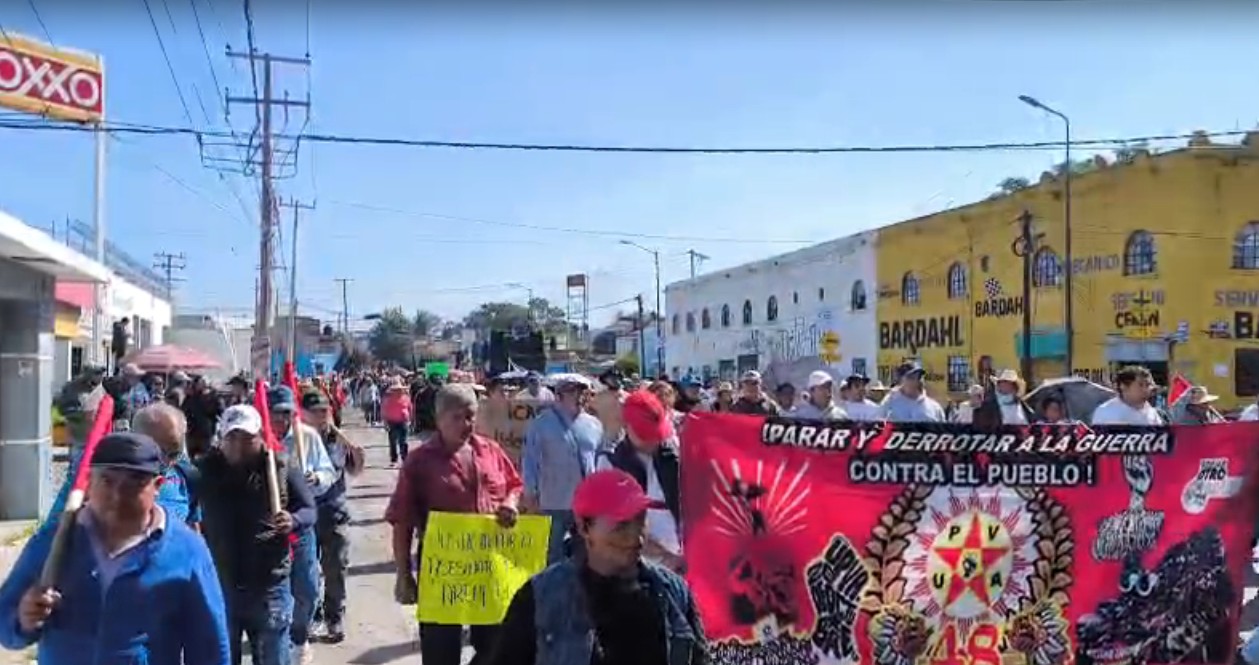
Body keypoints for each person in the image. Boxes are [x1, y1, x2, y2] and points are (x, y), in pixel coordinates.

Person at [0, 431, 230, 665]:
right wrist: (23, 619)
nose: (118, 495)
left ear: (157, 485)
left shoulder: (186, 550)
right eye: (108, 481)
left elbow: (210, 646)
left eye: (135, 483)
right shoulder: (52, 542)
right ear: (89, 483)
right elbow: (5, 625)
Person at [486, 469, 709, 665]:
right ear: (584, 528)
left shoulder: (674, 594)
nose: (637, 537)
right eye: (621, 526)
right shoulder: (542, 597)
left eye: (641, 520)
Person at [385, 384, 523, 665]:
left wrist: (510, 503)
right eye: (456, 417)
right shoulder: (419, 462)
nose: (465, 424)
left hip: (489, 566)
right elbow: (402, 522)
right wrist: (404, 574)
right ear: (439, 419)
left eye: (470, 416)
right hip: (443, 570)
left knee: (497, 646)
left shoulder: (491, 451)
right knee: (440, 650)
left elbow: (515, 485)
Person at [198, 405, 318, 665]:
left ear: (260, 436)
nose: (239, 446)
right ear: (221, 439)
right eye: (232, 438)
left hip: (269, 585)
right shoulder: (206, 471)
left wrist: (294, 520)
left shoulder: (280, 467)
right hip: (222, 584)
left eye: (247, 439)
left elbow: (309, 509)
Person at [268, 386, 336, 664]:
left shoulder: (306, 437)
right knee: (275, 589)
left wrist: (316, 479)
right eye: (277, 413)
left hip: (302, 523)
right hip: (270, 525)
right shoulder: (257, 440)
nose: (283, 420)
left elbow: (328, 471)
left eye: (288, 413)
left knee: (306, 587)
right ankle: (278, 639)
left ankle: (300, 635)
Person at [595, 391, 683, 573]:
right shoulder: (610, 463)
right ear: (626, 426)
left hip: (681, 557)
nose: (652, 441)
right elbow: (615, 524)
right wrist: (665, 556)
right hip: (637, 559)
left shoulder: (674, 455)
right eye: (645, 434)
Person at [522, 375, 604, 564]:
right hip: (553, 501)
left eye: (583, 392)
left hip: (585, 504)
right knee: (552, 555)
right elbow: (530, 458)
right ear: (560, 395)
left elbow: (599, 460)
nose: (580, 397)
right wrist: (530, 491)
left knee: (585, 555)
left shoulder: (594, 425)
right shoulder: (541, 423)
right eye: (573, 392)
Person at [300, 390, 351, 643]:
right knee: (306, 573)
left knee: (335, 569)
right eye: (315, 411)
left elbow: (346, 468)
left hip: (333, 512)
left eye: (324, 410)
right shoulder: (297, 439)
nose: (321, 415)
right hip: (304, 516)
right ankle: (312, 616)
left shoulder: (336, 439)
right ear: (303, 413)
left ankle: (334, 617)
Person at [132, 403, 203, 531]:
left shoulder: (187, 476)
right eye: (157, 452)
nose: (165, 461)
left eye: (174, 453)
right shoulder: (113, 482)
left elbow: (193, 527)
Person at [1090, 365, 1165, 426]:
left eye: (1148, 385)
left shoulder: (1152, 413)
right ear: (1124, 386)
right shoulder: (1105, 412)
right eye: (1140, 385)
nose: (1146, 389)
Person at [879, 362, 947, 422]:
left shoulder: (934, 407)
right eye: (911, 377)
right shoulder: (889, 404)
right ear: (901, 380)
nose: (916, 381)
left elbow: (944, 432)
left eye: (919, 377)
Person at [382, 378, 413, 466]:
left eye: (399, 390)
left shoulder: (406, 398)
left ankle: (405, 459)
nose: (398, 391)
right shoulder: (388, 399)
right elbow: (384, 410)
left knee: (404, 441)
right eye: (396, 390)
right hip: (392, 422)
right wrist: (385, 422)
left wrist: (411, 419)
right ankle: (394, 459)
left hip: (403, 421)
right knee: (393, 442)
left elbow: (410, 408)